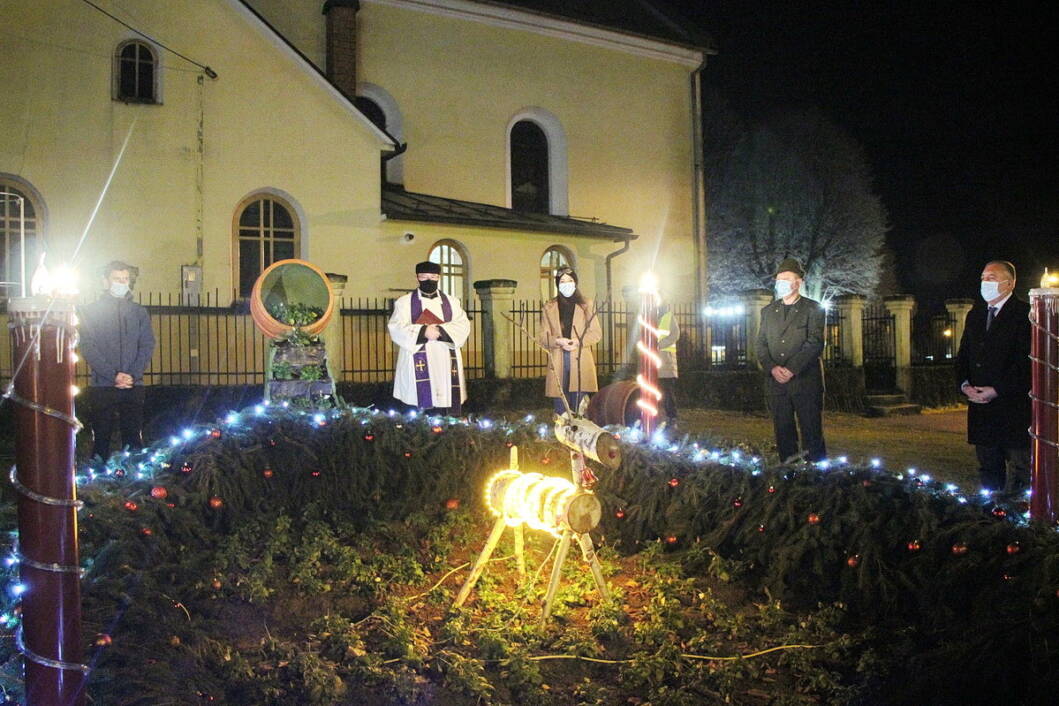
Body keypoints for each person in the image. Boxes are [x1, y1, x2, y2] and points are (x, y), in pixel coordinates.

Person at [954, 260, 1031, 494]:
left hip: (1013, 408)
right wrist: (965, 385)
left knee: (1021, 469)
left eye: (992, 277)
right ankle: (991, 517)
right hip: (981, 410)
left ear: (1010, 283)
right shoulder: (975, 315)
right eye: (983, 277)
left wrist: (996, 389)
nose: (985, 282)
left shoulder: (1024, 315)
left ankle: (1020, 520)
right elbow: (964, 356)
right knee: (988, 468)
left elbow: (1026, 363)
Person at [79, 260, 155, 461]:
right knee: (101, 437)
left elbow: (147, 344)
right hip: (103, 385)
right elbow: (88, 346)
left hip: (133, 384)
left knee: (133, 438)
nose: (122, 283)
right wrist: (113, 375)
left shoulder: (139, 312)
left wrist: (133, 374)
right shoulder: (91, 311)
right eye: (117, 279)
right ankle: (99, 478)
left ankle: (134, 480)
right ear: (105, 282)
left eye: (125, 279)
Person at [754, 258, 827, 463]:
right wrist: (772, 368)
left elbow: (814, 343)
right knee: (783, 432)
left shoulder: (813, 309)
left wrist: (792, 369)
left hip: (805, 382)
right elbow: (761, 345)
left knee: (811, 431)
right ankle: (789, 471)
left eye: (786, 279)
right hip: (776, 384)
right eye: (778, 280)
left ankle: (817, 475)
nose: (781, 284)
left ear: (798, 282)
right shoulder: (768, 312)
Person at [388, 261, 470, 415]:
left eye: (433, 277)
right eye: (424, 277)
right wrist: (423, 332)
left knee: (445, 401)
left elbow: (463, 325)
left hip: (445, 356)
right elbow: (396, 327)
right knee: (415, 404)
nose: (429, 280)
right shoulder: (404, 303)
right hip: (416, 358)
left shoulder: (452, 302)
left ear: (439, 277)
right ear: (417, 277)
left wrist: (440, 331)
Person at [538, 267, 602, 415]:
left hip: (580, 359)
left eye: (570, 280)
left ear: (575, 282)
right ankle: (563, 434)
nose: (567, 284)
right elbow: (542, 337)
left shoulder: (586, 304)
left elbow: (596, 333)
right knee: (561, 406)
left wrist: (578, 341)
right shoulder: (549, 307)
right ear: (558, 285)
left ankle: (580, 433)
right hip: (559, 359)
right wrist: (558, 341)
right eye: (563, 281)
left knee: (580, 406)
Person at [656, 295, 681, 428]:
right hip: (654, 362)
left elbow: (675, 334)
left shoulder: (668, 317)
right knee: (658, 393)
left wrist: (660, 344)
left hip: (666, 362)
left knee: (667, 392)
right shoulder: (650, 317)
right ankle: (660, 417)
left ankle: (672, 417)